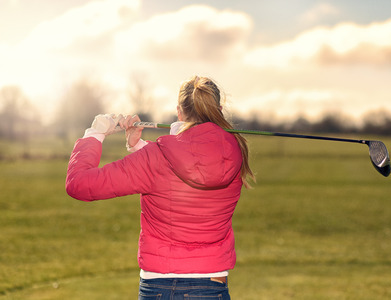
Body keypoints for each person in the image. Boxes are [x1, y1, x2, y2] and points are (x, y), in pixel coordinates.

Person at [65, 75, 254, 299]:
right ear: (219, 109)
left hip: (160, 285)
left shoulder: (156, 158)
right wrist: (139, 147)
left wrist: (95, 133)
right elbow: (187, 167)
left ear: (179, 112)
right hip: (213, 283)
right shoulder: (235, 153)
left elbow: (80, 184)